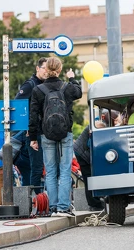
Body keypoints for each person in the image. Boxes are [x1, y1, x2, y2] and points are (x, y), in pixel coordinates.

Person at [29, 57, 82, 217]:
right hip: (65, 133)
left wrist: (33, 137)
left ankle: (52, 208)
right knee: (65, 170)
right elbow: (78, 92)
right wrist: (72, 77)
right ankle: (64, 208)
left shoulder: (38, 90)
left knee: (50, 171)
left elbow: (33, 116)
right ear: (59, 70)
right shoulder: (66, 87)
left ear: (46, 70)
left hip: (46, 134)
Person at [15, 57, 47, 193]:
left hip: (42, 131)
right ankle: (36, 199)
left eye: (49, 69)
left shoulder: (44, 85)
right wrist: (28, 126)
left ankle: (36, 198)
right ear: (37, 68)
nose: (46, 71)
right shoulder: (30, 84)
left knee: (38, 167)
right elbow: (18, 105)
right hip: (32, 132)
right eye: (44, 68)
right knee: (36, 167)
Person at [73, 124, 104, 211]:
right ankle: (94, 204)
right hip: (82, 153)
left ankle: (95, 202)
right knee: (89, 178)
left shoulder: (95, 126)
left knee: (89, 178)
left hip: (80, 151)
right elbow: (91, 145)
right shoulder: (96, 128)